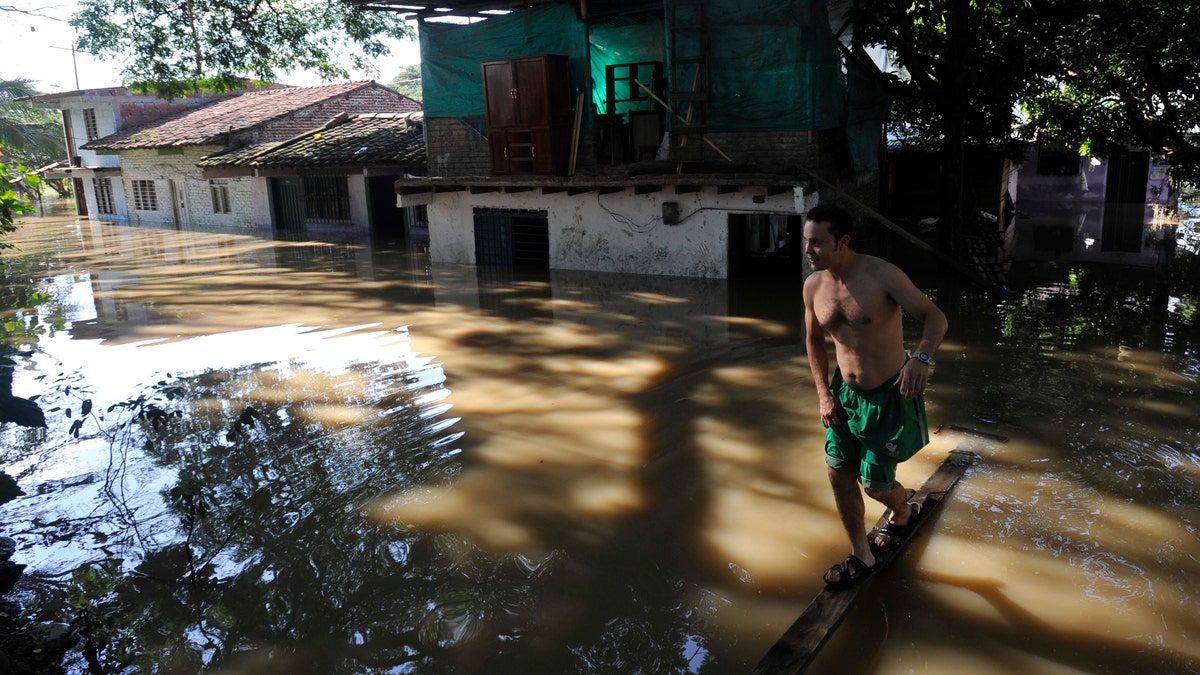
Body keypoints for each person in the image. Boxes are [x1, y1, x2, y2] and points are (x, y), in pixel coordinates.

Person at [801, 203, 948, 585]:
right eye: (806, 242)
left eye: (817, 243)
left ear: (843, 242)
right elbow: (813, 342)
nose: (808, 251)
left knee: (877, 484)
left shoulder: (882, 275)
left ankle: (903, 511)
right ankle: (861, 555)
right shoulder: (813, 286)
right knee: (837, 474)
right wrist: (822, 393)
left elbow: (935, 316)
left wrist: (922, 358)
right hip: (842, 396)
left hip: (889, 393)